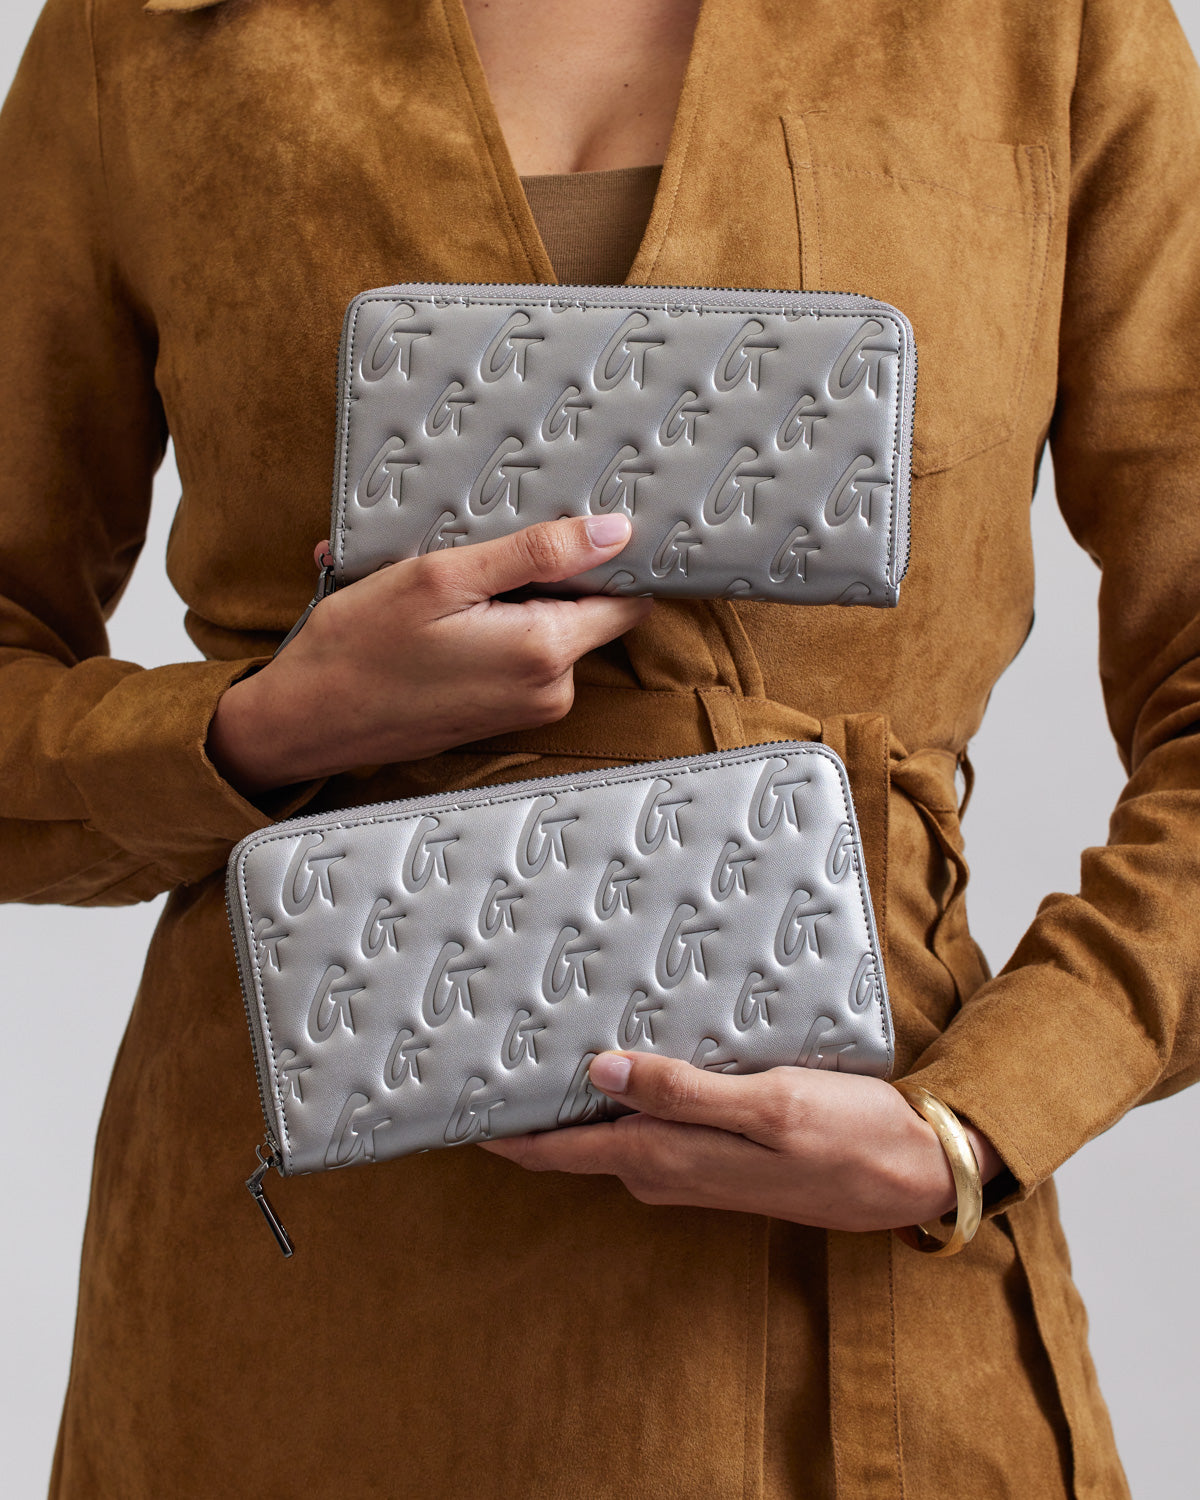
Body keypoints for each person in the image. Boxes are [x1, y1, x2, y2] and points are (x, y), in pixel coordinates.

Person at [2, 0, 1197, 1494]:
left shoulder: (1049, 28)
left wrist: (978, 1122)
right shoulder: (143, 35)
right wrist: (259, 727)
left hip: (853, 1270)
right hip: (291, 1312)